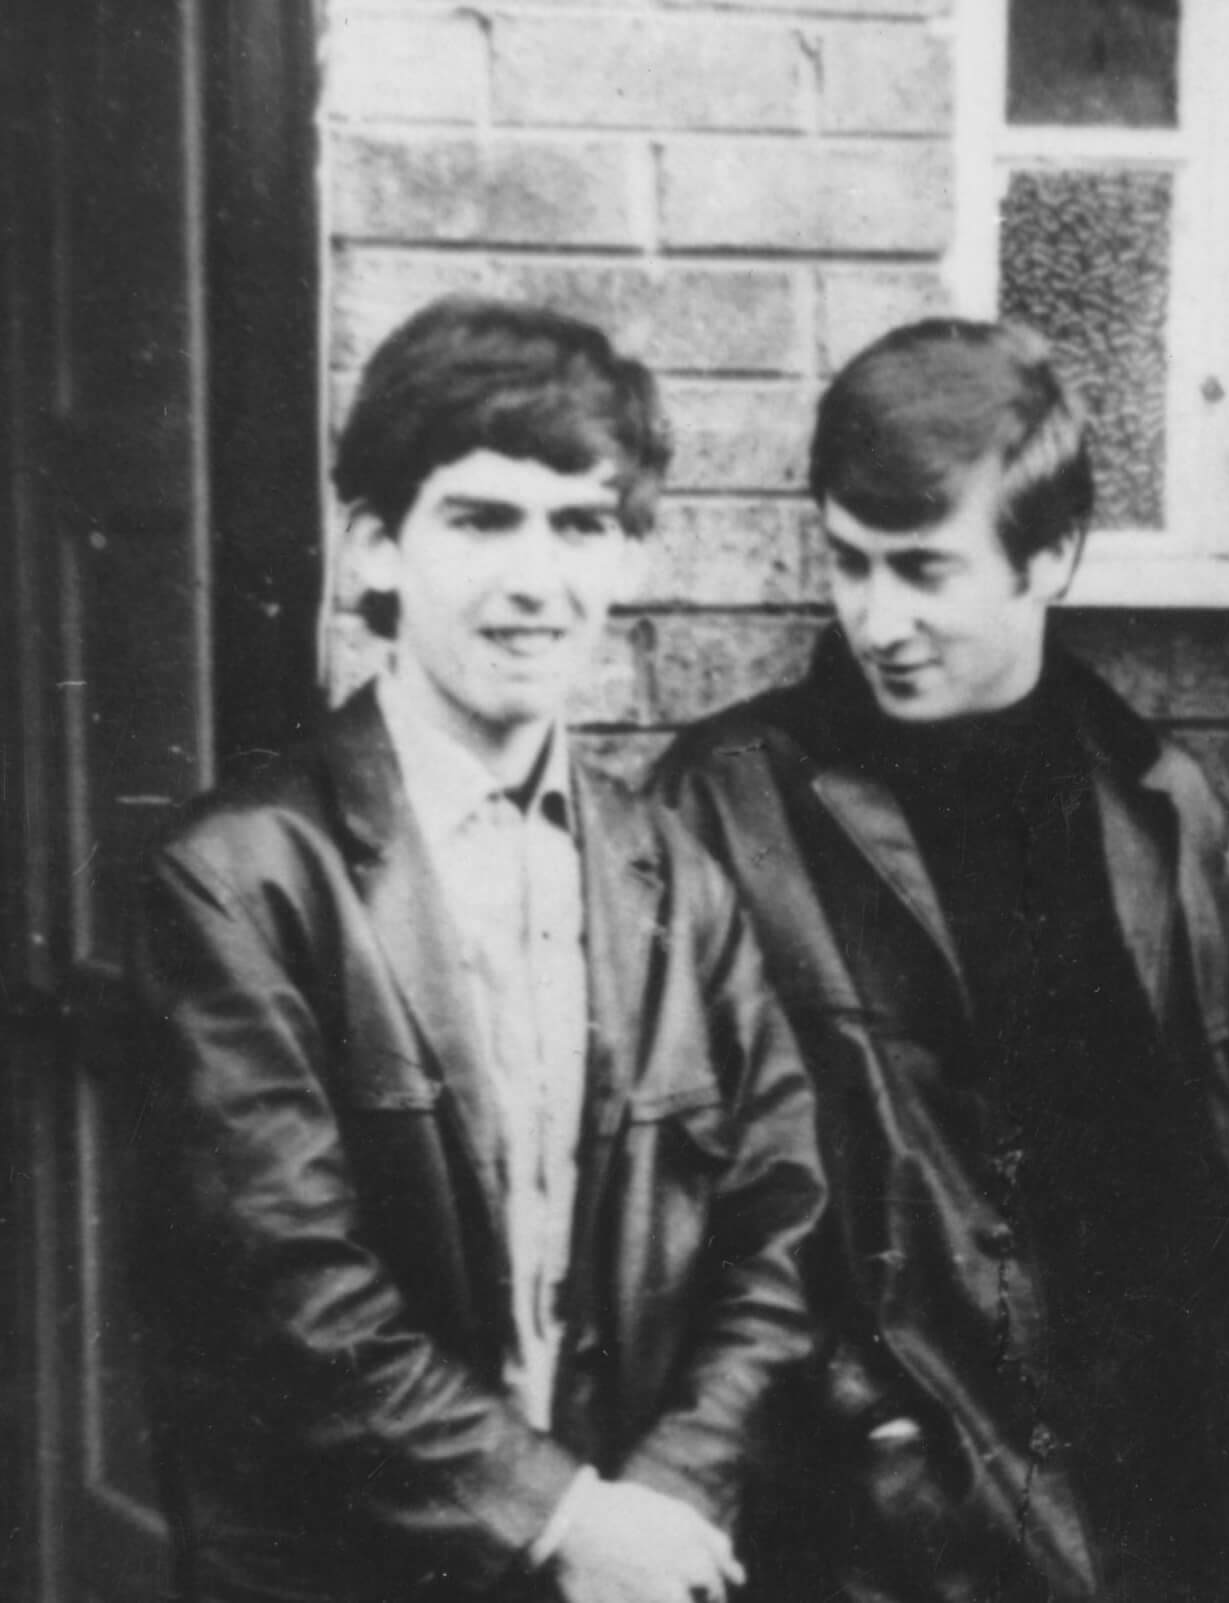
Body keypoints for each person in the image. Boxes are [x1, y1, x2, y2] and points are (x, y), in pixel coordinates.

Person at [127, 296, 829, 1603]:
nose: (535, 576)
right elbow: (291, 1293)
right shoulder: (240, 880)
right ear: (377, 548)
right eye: (481, 518)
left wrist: (668, 1493)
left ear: (623, 559)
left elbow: (779, 1216)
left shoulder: (671, 871)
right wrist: (556, 1514)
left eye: (580, 525)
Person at [653, 319, 1229, 1603]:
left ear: (1048, 557)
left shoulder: (1165, 806)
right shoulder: (725, 804)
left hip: (1168, 1495)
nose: (878, 619)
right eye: (849, 563)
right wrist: (870, 1439)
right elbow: (685, 1202)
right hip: (885, 1525)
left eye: (924, 570)